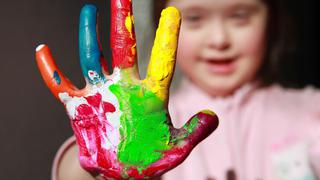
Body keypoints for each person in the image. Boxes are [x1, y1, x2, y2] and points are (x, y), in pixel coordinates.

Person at [50, 0, 320, 179]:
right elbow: (71, 173)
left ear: (271, 20)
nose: (219, 39)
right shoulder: (142, 118)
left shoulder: (310, 112)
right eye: (194, 18)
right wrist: (101, 159)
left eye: (240, 16)